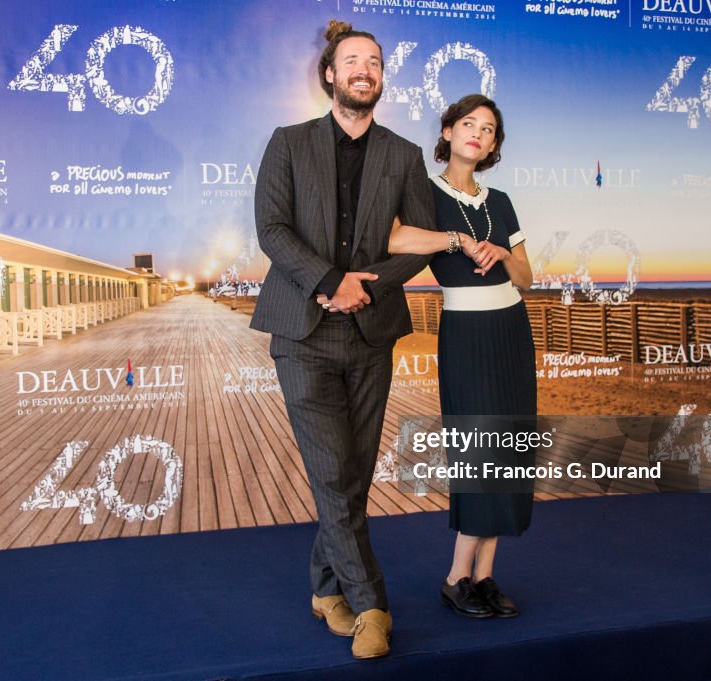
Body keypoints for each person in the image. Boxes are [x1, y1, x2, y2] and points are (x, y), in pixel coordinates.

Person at [251, 20, 436, 659]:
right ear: (330, 74)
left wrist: (367, 286)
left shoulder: (404, 154)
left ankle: (324, 588)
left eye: (375, 62)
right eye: (352, 60)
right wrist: (331, 280)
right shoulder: (288, 142)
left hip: (370, 332)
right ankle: (371, 605)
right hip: (302, 330)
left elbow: (418, 240)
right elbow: (271, 229)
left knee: (350, 473)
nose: (364, 70)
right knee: (333, 471)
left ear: (381, 78)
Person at [388, 94, 536, 619]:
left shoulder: (501, 201)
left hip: (511, 329)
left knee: (509, 449)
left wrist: (501, 254)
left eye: (489, 129)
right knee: (478, 452)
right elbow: (397, 238)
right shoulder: (426, 192)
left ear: (494, 145)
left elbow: (528, 277)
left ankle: (485, 576)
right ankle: (455, 579)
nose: (478, 133)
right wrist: (453, 239)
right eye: (468, 123)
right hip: (467, 332)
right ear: (448, 132)